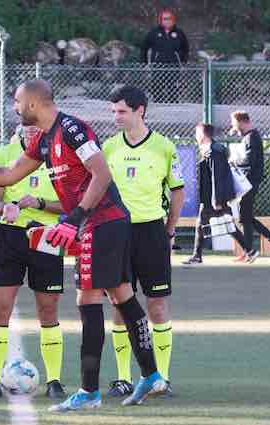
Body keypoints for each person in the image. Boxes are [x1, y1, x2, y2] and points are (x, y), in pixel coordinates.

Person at [0, 79, 166, 411]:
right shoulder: (44, 141)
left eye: (16, 101)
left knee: (87, 300)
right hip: (102, 224)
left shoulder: (72, 129)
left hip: (102, 223)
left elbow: (102, 175)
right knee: (122, 296)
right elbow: (9, 176)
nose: (13, 107)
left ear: (32, 104)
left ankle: (89, 392)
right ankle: (151, 375)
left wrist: (73, 220)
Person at [0, 125, 67, 400]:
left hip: (47, 236)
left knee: (48, 310)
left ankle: (55, 381)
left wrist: (38, 203)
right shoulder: (4, 154)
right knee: (0, 307)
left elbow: (69, 205)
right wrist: (8, 208)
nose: (31, 129)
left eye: (36, 123)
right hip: (10, 237)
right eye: (26, 123)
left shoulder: (60, 157)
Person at [102, 85, 183, 398]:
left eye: (121, 111)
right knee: (120, 305)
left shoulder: (164, 147)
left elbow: (177, 190)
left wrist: (170, 228)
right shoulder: (109, 147)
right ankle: (122, 377)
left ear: (140, 111)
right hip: (117, 232)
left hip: (152, 232)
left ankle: (161, 377)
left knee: (157, 305)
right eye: (114, 112)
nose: (116, 117)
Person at [183, 123, 249, 264]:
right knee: (207, 224)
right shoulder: (208, 149)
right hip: (210, 198)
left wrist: (217, 200)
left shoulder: (214, 151)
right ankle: (197, 255)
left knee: (225, 225)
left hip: (214, 198)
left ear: (202, 134)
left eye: (197, 133)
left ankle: (249, 250)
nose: (195, 136)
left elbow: (217, 177)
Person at [229, 111, 270, 261]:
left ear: (242, 122)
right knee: (245, 217)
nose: (233, 126)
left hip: (250, 182)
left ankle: (267, 244)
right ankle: (255, 248)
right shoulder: (248, 137)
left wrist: (233, 161)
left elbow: (249, 160)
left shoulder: (252, 137)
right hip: (247, 182)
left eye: (234, 123)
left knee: (245, 217)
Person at [142, 8, 189, 104]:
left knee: (173, 88)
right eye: (165, 19)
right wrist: (145, 63)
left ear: (173, 20)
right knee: (157, 87)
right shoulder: (154, 33)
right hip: (158, 65)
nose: (167, 21)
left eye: (169, 19)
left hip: (173, 65)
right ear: (161, 20)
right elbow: (144, 47)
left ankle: (173, 107)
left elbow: (186, 48)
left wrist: (183, 62)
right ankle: (158, 105)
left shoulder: (179, 33)